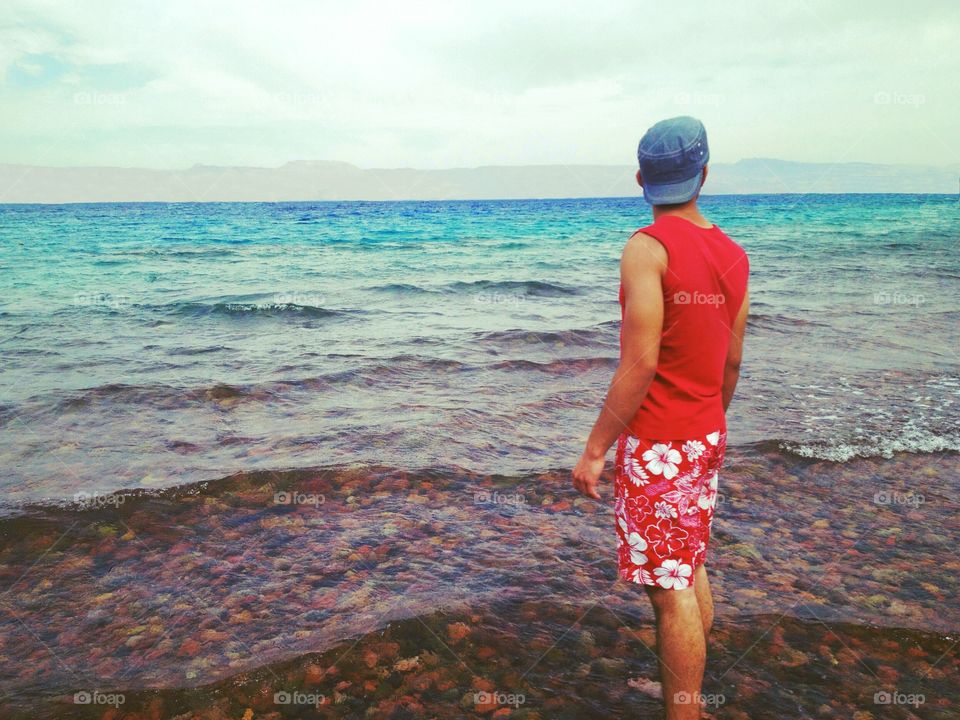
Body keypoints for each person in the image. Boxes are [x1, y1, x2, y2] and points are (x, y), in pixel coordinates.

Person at [571, 116, 750, 720]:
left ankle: (686, 712)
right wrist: (709, 424)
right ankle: (690, 694)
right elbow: (731, 362)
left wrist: (596, 447)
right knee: (690, 560)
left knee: (668, 590)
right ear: (704, 174)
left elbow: (640, 363)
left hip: (659, 443)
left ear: (641, 178)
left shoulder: (647, 248)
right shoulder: (733, 254)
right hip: (705, 432)